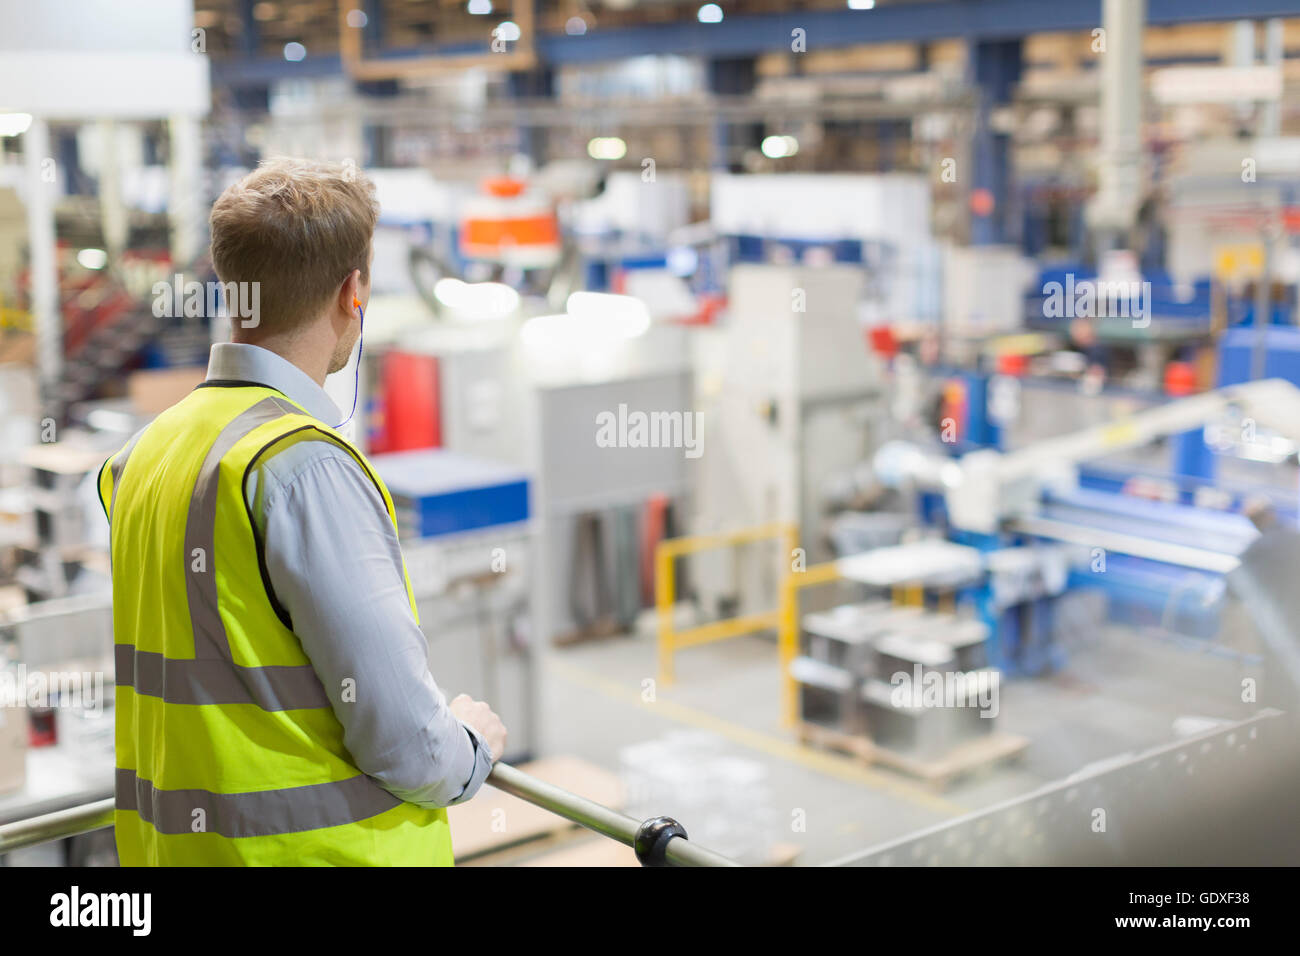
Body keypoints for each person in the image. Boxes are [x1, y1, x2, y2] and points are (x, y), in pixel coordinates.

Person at [99, 158, 507, 865]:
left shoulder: (143, 455)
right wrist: (470, 746)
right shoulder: (303, 469)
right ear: (353, 293)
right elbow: (408, 748)